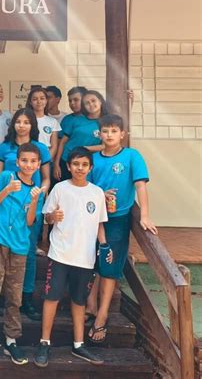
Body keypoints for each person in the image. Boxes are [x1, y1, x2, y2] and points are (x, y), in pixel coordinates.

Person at [34, 147, 111, 368]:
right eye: (76, 164)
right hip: (60, 255)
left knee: (79, 301)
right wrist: (52, 216)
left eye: (84, 164)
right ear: (68, 166)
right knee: (52, 298)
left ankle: (79, 344)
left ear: (90, 168)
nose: (80, 168)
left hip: (85, 258)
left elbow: (99, 224)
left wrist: (104, 245)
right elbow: (46, 218)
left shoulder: (96, 192)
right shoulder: (60, 188)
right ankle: (44, 342)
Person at [85, 114, 157, 344]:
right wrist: (99, 195)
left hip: (117, 219)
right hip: (93, 218)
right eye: (105, 131)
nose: (109, 135)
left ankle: (102, 315)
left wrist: (144, 214)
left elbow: (140, 186)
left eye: (114, 131)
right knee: (91, 263)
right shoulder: (94, 159)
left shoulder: (131, 156)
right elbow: (86, 187)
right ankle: (90, 304)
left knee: (109, 267)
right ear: (100, 134)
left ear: (122, 134)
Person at [0, 143, 43, 365]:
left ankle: (11, 340)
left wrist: (33, 201)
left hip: (20, 246)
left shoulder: (37, 191)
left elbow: (31, 222)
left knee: (14, 296)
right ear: (18, 161)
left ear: (39, 164)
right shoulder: (6, 176)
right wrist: (6, 190)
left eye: (33, 161)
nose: (28, 165)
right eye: (25, 160)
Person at [0, 108, 51, 320]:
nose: (22, 125)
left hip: (31, 204)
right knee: (3, 251)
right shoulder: (4, 147)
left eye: (26, 122)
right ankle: (3, 297)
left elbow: (46, 177)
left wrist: (40, 194)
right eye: (18, 121)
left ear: (32, 125)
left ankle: (26, 298)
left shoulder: (41, 149)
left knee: (27, 252)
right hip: (7, 205)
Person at [54, 89, 108, 182]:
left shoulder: (106, 122)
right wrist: (56, 164)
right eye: (87, 103)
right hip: (65, 160)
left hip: (85, 164)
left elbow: (105, 146)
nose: (91, 104)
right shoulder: (76, 120)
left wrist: (84, 148)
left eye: (93, 101)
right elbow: (62, 143)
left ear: (100, 101)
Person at [25, 86, 61, 159]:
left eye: (42, 98)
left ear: (46, 101)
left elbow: (54, 146)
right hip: (27, 158)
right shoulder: (25, 119)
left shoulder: (53, 121)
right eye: (35, 99)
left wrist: (46, 160)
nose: (39, 101)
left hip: (46, 159)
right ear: (30, 102)